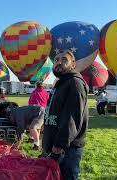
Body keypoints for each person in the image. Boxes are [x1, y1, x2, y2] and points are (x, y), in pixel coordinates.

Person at [41, 50, 89, 180]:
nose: (59, 63)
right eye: (56, 60)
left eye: (64, 60)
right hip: (54, 145)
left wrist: (58, 147)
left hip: (66, 149)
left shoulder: (74, 83)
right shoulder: (60, 84)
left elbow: (71, 119)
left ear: (73, 64)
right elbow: (53, 110)